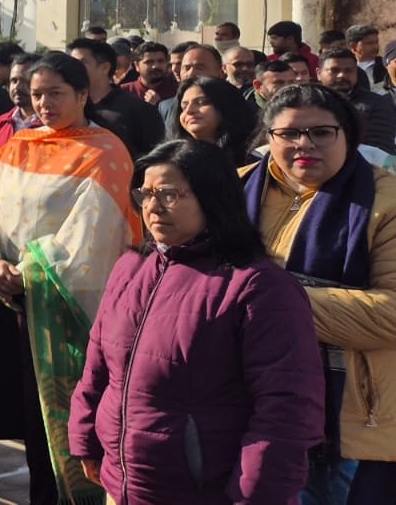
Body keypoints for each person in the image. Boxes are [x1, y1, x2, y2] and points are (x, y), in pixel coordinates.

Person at [69, 139, 324, 503]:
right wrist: (86, 439)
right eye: (145, 194)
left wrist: (255, 494)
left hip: (207, 492)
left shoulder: (258, 287)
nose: (153, 207)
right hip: (123, 485)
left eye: (169, 194)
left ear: (212, 198)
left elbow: (286, 409)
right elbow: (97, 365)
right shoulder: (131, 268)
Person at [0, 52, 139, 505]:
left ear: (82, 94)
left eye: (56, 93)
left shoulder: (105, 151)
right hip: (14, 301)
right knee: (32, 419)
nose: (44, 104)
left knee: (74, 423)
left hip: (71, 309)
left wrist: (28, 272)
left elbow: (95, 234)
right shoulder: (18, 144)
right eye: (37, 94)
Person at [244, 85, 396, 504]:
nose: (304, 144)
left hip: (350, 421)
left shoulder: (385, 202)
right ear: (268, 137)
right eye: (289, 133)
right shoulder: (232, 191)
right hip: (245, 406)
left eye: (322, 132)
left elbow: (391, 313)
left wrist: (270, 300)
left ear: (349, 135)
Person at [68, 37, 164, 158]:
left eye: (81, 63)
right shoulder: (67, 108)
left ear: (105, 68)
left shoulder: (139, 110)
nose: (73, 69)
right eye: (71, 64)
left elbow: (154, 159)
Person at [169, 75, 259, 168]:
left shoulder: (253, 164)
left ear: (227, 107)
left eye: (201, 102)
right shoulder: (172, 163)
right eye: (184, 107)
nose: (189, 111)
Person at [321, 47, 396, 155]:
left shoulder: (377, 104)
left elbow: (379, 150)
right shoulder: (308, 104)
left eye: (348, 71)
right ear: (318, 73)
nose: (342, 75)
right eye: (334, 70)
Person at [0, 52, 41, 155]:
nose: (17, 87)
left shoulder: (52, 125)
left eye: (25, 81)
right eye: (14, 80)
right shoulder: (1, 123)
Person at [347, 24, 390, 94]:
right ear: (353, 47)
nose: (375, 46)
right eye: (369, 43)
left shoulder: (386, 66)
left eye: (376, 42)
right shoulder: (345, 69)